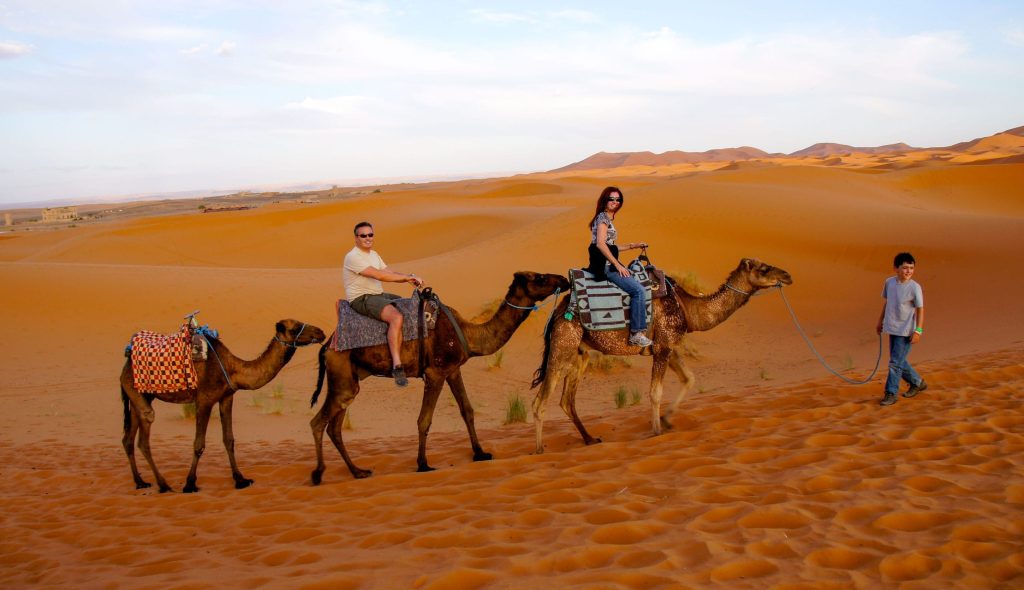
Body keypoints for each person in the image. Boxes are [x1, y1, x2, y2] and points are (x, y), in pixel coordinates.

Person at [343, 221, 426, 386]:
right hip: (362, 298)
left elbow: (388, 272)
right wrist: (406, 278)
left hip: (378, 295)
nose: (367, 238)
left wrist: (409, 277)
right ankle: (397, 365)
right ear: (356, 238)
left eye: (370, 234)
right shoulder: (352, 257)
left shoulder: (374, 254)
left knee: (411, 305)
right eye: (363, 235)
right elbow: (379, 276)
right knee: (396, 317)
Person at [586, 186, 653, 347]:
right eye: (612, 199)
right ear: (605, 200)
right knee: (638, 290)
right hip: (606, 266)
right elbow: (601, 244)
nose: (615, 202)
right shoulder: (602, 218)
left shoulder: (606, 218)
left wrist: (633, 245)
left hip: (609, 263)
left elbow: (610, 246)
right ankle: (636, 333)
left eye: (618, 200)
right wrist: (617, 265)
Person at [876, 252, 927, 406]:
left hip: (906, 331)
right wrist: (880, 321)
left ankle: (891, 393)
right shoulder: (889, 283)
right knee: (898, 361)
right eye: (905, 268)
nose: (908, 271)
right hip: (892, 328)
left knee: (894, 363)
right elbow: (888, 303)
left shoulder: (914, 287)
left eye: (911, 268)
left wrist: (918, 331)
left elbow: (920, 310)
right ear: (896, 269)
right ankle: (917, 382)